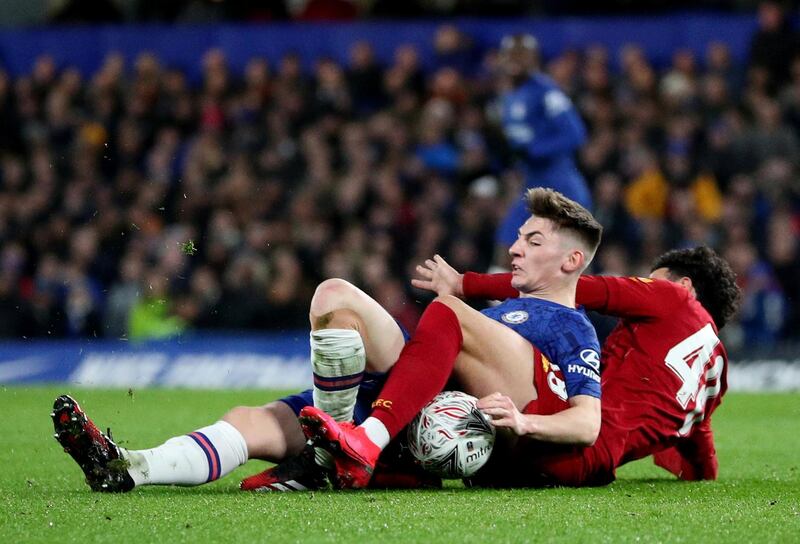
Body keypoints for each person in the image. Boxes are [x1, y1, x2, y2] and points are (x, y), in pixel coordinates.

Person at [297, 187, 604, 489]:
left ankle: (367, 441)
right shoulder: (496, 315)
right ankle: (321, 453)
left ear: (571, 261)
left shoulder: (573, 326)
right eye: (519, 237)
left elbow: (587, 424)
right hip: (458, 423)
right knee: (336, 295)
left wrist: (525, 422)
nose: (515, 249)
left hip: (519, 443)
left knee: (448, 309)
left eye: (533, 242)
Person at [413, 245, 740, 486]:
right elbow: (702, 457)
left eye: (650, 282)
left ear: (683, 286)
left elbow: (564, 287)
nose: (643, 288)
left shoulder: (673, 299)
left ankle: (395, 441)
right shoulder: (715, 374)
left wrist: (465, 285)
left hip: (564, 438)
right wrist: (703, 476)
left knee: (459, 341)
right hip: (590, 467)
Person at [495, 34, 591, 256]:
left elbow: (576, 134)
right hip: (531, 188)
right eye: (510, 54)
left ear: (533, 59)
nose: (515, 60)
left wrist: (535, 149)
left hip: (560, 187)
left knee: (570, 262)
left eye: (521, 54)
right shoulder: (508, 98)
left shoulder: (546, 91)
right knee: (506, 250)